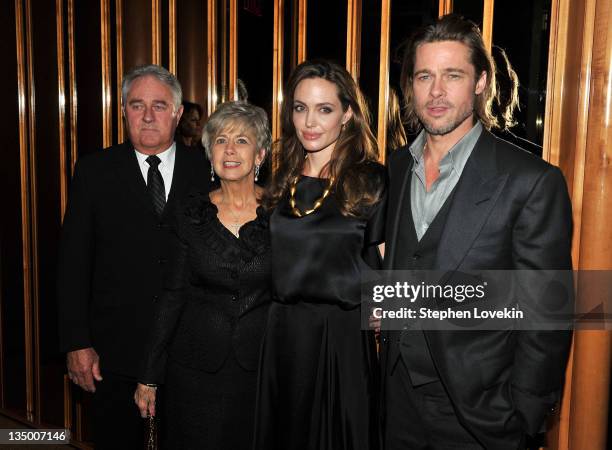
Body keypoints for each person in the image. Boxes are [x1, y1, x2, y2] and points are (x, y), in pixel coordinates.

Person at [381, 15, 572, 450]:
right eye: (424, 76)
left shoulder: (531, 181)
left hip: (482, 418)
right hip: (397, 406)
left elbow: (547, 313)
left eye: (453, 76)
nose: (436, 92)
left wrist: (522, 414)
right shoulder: (394, 169)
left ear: (482, 82)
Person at [57, 64, 210, 449]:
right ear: (123, 111)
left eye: (159, 105)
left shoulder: (208, 171)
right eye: (136, 105)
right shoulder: (94, 171)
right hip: (113, 353)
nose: (147, 115)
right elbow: (72, 262)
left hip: (189, 350)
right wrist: (76, 342)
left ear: (177, 113)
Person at [254, 60, 386, 450]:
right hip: (282, 336)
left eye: (324, 109)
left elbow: (387, 263)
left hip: (341, 339)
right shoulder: (281, 179)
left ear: (347, 114)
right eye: (300, 108)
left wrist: (385, 314)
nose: (309, 121)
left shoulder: (370, 181)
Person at [134, 101, 272, 450]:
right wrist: (149, 375)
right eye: (221, 140)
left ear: (260, 154)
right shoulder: (190, 213)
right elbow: (173, 294)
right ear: (210, 154)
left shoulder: (283, 213)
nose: (230, 149)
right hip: (195, 369)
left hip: (261, 368)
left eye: (242, 141)